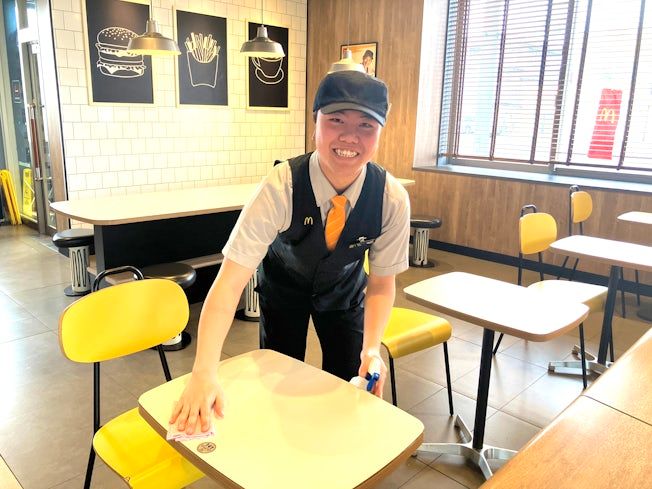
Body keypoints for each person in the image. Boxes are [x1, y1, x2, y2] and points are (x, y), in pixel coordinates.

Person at [170, 70, 410, 435]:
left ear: (380, 132)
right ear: (315, 122)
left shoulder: (390, 198)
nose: (350, 136)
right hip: (283, 289)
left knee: (350, 385)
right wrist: (203, 372)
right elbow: (230, 283)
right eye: (336, 120)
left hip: (344, 293)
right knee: (277, 381)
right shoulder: (281, 186)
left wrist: (372, 348)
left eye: (366, 125)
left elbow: (380, 285)